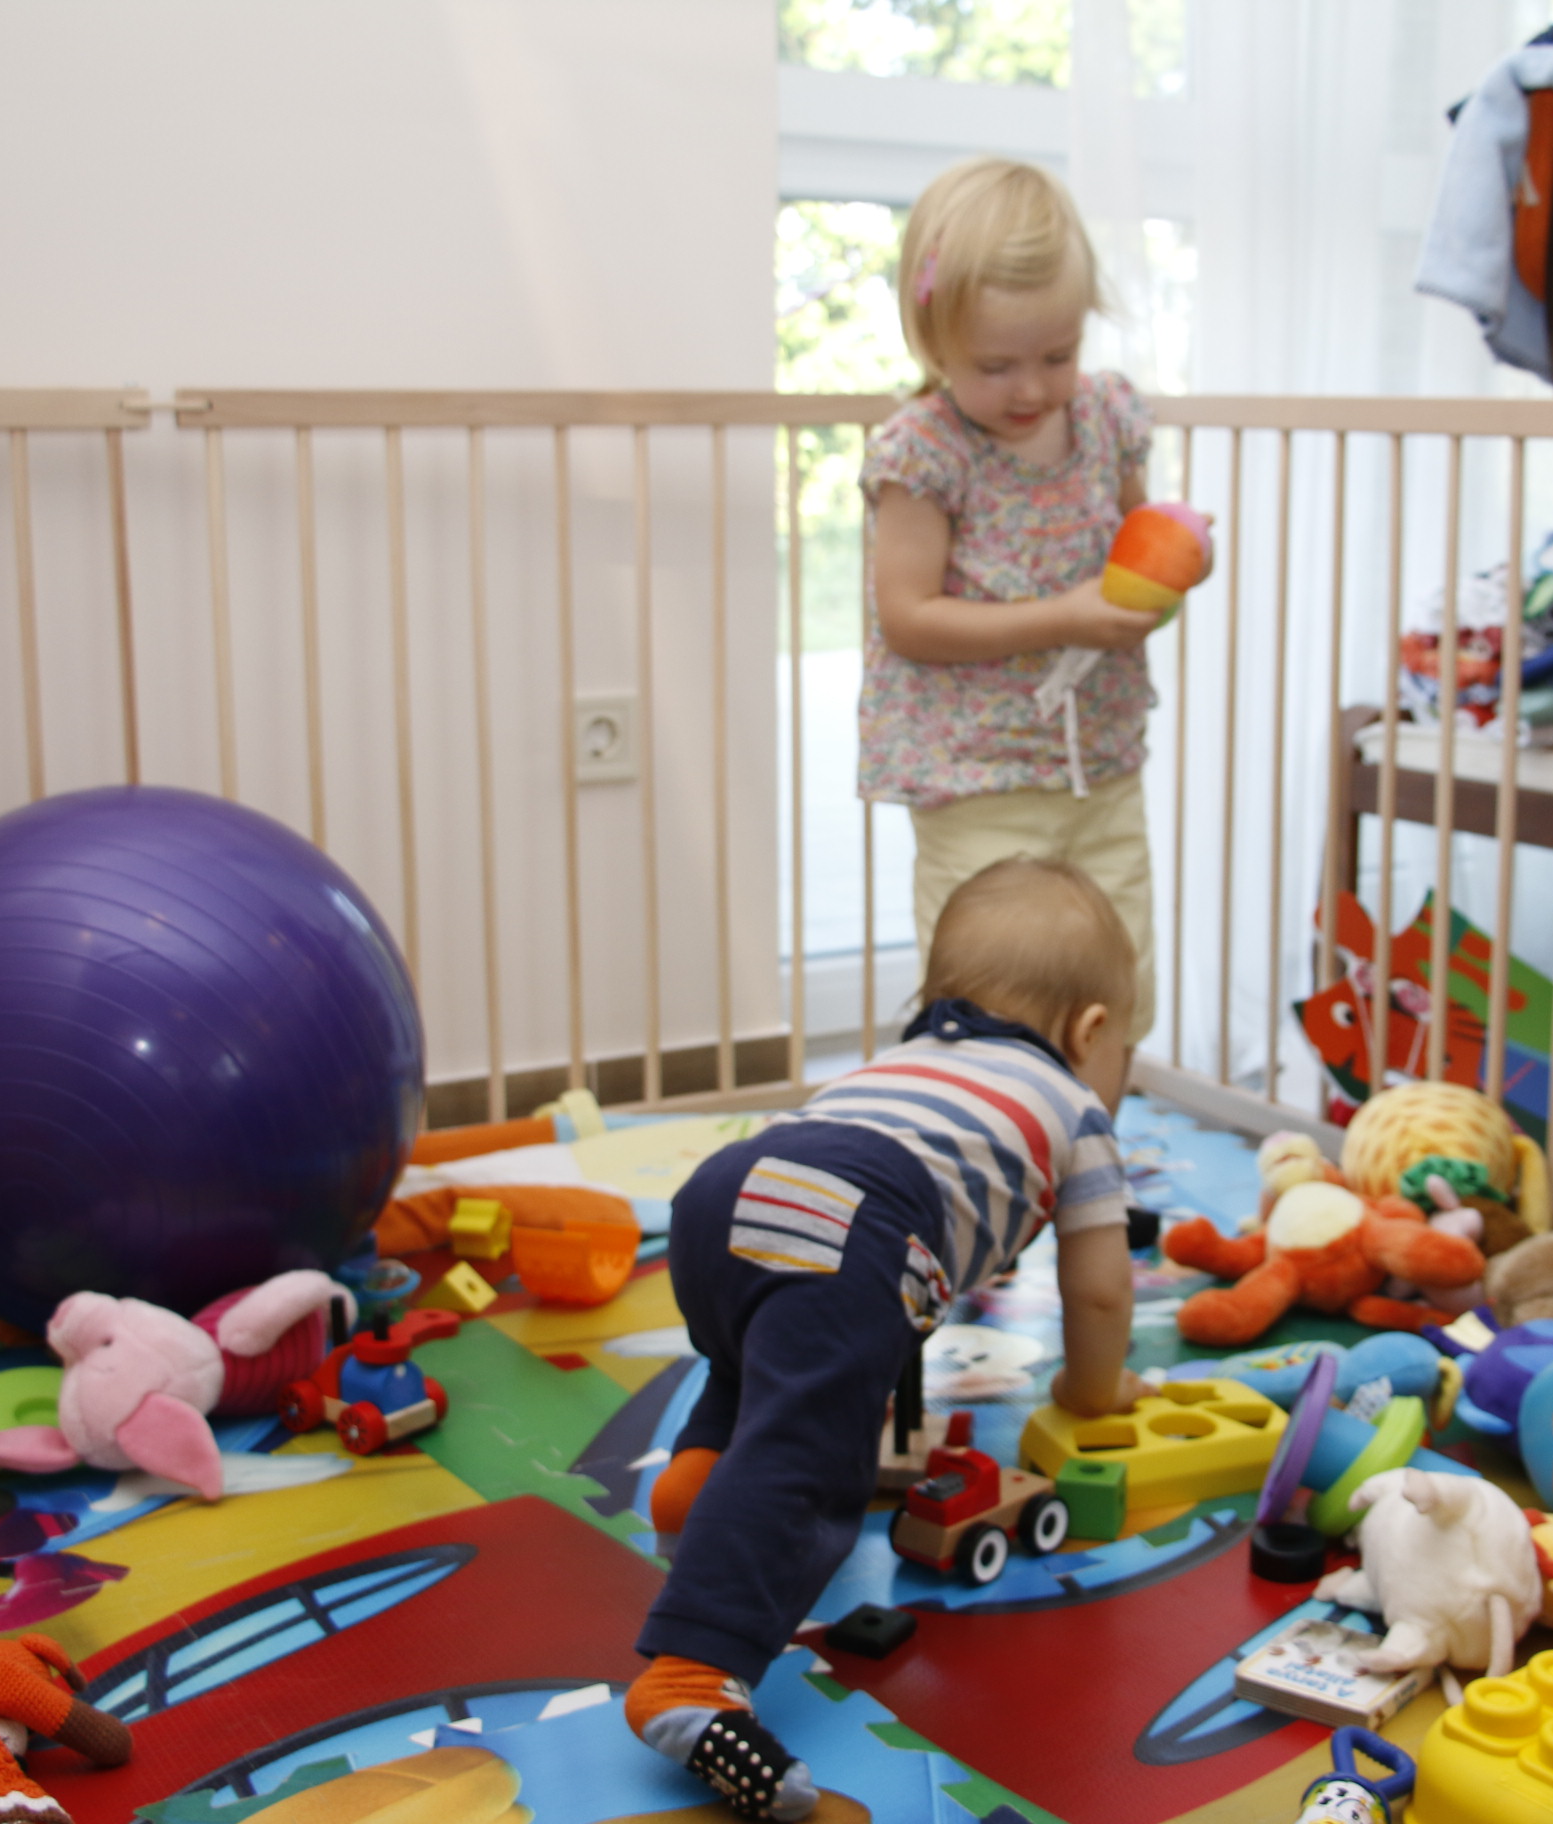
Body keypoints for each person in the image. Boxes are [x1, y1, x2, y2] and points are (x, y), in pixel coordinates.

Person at [623, 857, 1148, 1819]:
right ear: (1090, 1031)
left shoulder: (898, 1064)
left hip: (724, 1192)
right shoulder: (1075, 1107)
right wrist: (1091, 1390)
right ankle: (690, 1675)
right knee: (816, 1448)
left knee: (770, 1364)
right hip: (854, 1219)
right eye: (1128, 1056)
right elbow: (1102, 1291)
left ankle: (698, 1479)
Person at [861, 154, 1161, 1047]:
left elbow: (1138, 541)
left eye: (1057, 356)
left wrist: (1178, 557)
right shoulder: (926, 452)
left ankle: (1098, 1130)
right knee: (989, 997)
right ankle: (987, 1125)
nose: (1032, 388)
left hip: (1100, 767)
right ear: (934, 341)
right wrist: (1065, 616)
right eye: (996, 365)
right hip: (976, 778)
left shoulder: (1106, 420)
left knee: (1118, 977)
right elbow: (909, 618)